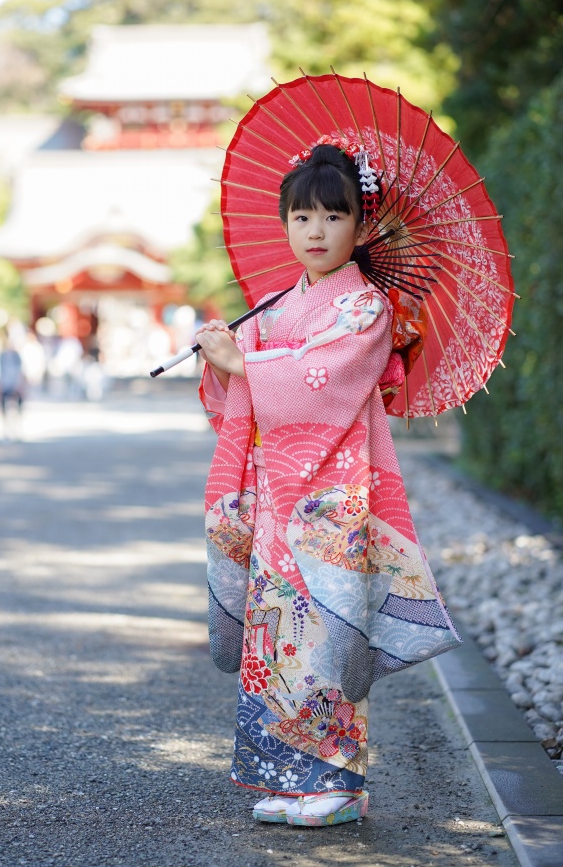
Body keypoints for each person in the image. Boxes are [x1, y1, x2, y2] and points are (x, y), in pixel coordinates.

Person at [195, 141, 461, 828]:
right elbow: (250, 383)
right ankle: (288, 773)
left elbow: (321, 384)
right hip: (278, 500)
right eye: (302, 216)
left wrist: (246, 366)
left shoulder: (364, 308)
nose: (315, 231)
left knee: (326, 634)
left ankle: (339, 781)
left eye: (333, 216)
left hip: (331, 498)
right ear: (284, 224)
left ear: (359, 225)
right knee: (274, 634)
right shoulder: (280, 305)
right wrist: (226, 357)